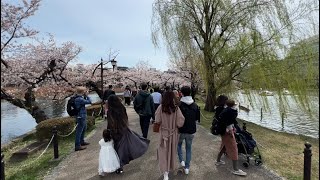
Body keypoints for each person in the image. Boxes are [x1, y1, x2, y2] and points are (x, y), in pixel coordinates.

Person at [106, 95, 150, 174]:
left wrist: (108, 131)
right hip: (123, 129)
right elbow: (125, 118)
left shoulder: (110, 111)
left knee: (116, 148)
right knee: (122, 147)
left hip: (114, 131)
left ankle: (119, 165)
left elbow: (110, 122)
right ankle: (120, 165)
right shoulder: (122, 108)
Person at [155, 90, 185, 180]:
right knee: (171, 152)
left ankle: (165, 174)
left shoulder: (160, 108)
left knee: (163, 153)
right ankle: (169, 169)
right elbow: (180, 123)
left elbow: (157, 120)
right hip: (173, 134)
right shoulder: (176, 108)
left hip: (164, 134)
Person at [215, 99, 247, 176]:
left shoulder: (224, 110)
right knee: (234, 148)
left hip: (223, 131)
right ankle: (235, 169)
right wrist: (230, 129)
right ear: (233, 105)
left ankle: (218, 161)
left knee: (224, 146)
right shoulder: (231, 112)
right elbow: (229, 122)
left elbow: (225, 121)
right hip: (228, 132)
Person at [177, 86, 200, 175]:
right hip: (191, 130)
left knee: (178, 145)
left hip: (181, 130)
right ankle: (187, 167)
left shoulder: (179, 105)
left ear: (181, 93)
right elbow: (197, 119)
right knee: (189, 148)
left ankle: (181, 160)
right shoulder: (195, 105)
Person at [74, 86, 92, 151]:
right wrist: (87, 96)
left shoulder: (78, 98)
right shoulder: (79, 99)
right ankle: (77, 145)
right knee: (79, 130)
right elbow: (90, 101)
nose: (85, 92)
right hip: (80, 116)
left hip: (81, 115)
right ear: (82, 92)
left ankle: (81, 141)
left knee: (83, 128)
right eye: (84, 91)